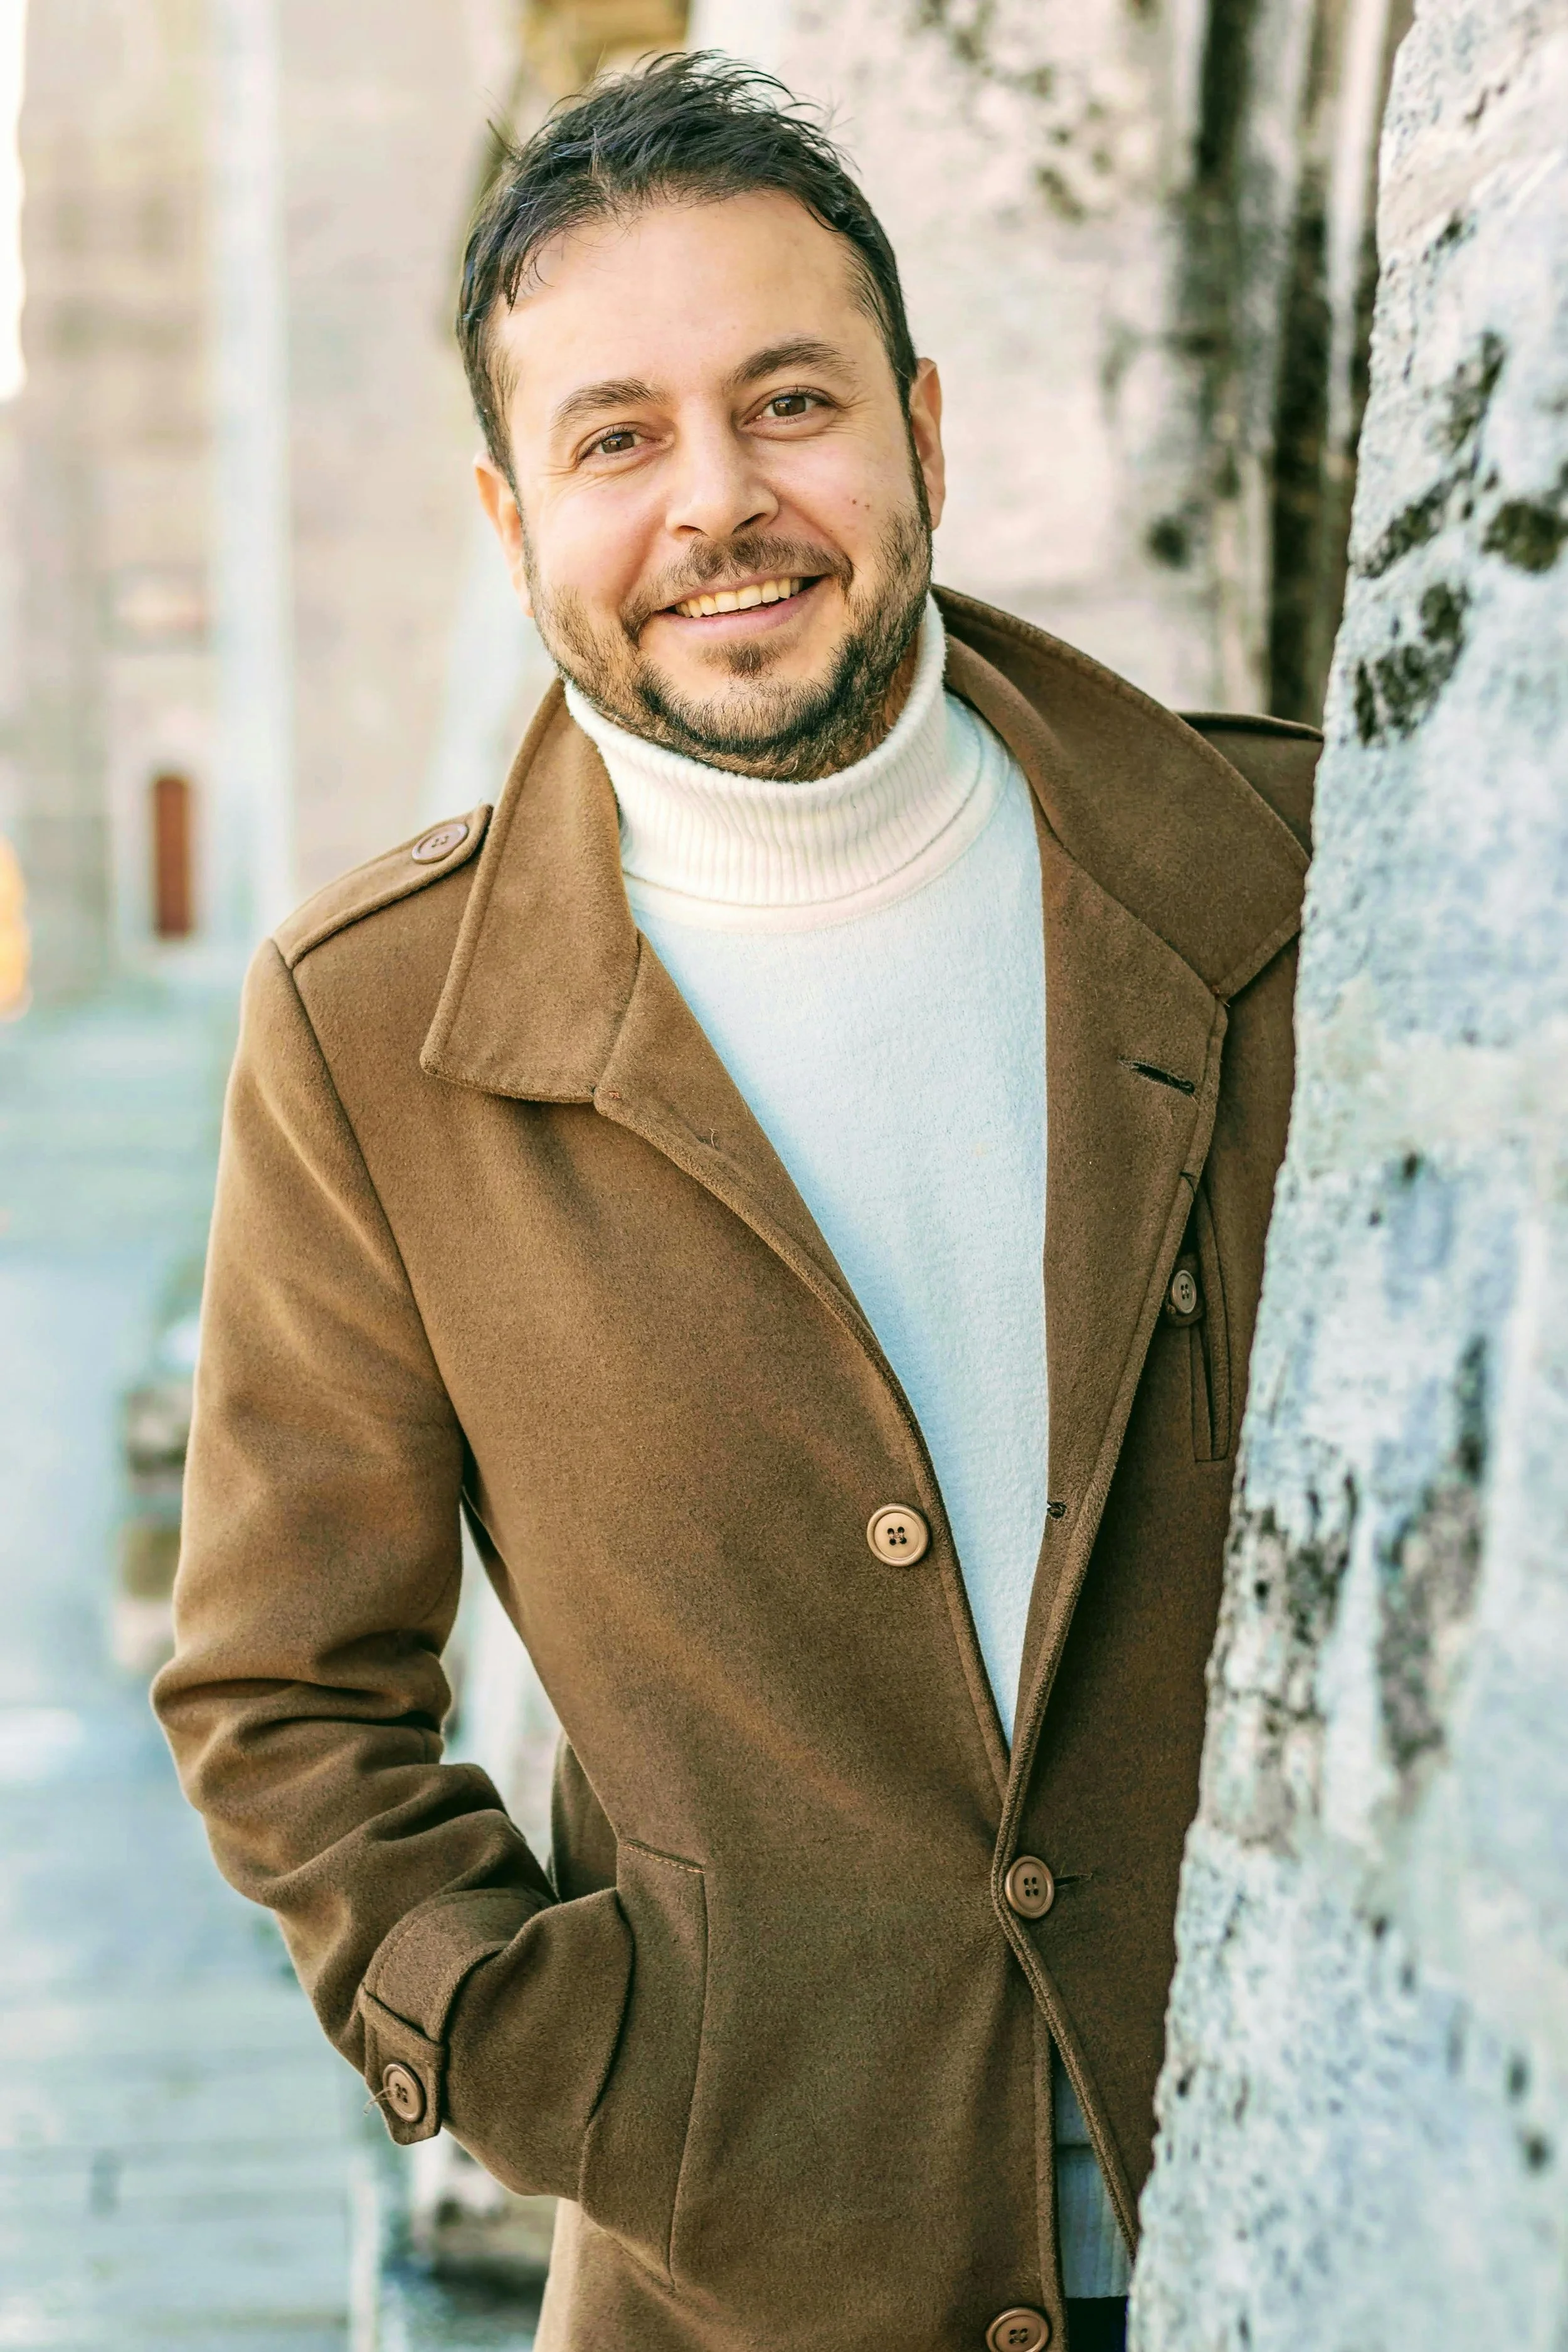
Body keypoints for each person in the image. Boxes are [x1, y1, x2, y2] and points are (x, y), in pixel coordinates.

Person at [154, 55, 1319, 2352]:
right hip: (753, 2289)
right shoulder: (368, 1031)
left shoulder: (1292, 878)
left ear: (921, 434)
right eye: (617, 435)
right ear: (512, 522)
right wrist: (553, 2059)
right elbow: (284, 1685)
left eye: (787, 403)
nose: (718, 500)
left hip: (1343, 2220)